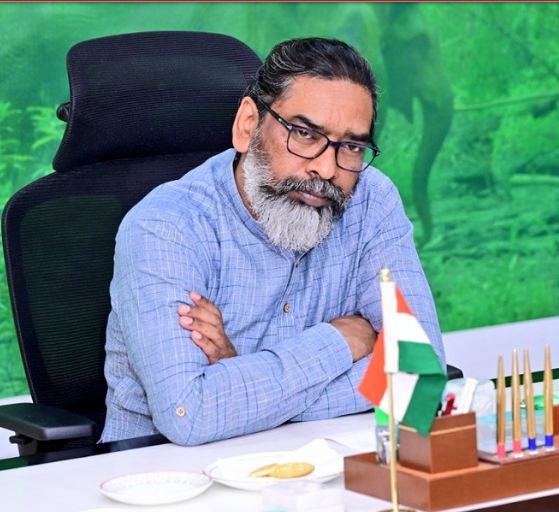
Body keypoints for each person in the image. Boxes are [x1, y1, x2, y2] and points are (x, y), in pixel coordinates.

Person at [101, 37, 445, 446]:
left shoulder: (372, 200)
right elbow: (189, 414)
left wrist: (240, 382)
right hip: (161, 472)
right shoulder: (166, 226)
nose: (326, 168)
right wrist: (339, 341)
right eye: (304, 134)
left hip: (323, 464)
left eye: (352, 146)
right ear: (248, 125)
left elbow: (418, 374)